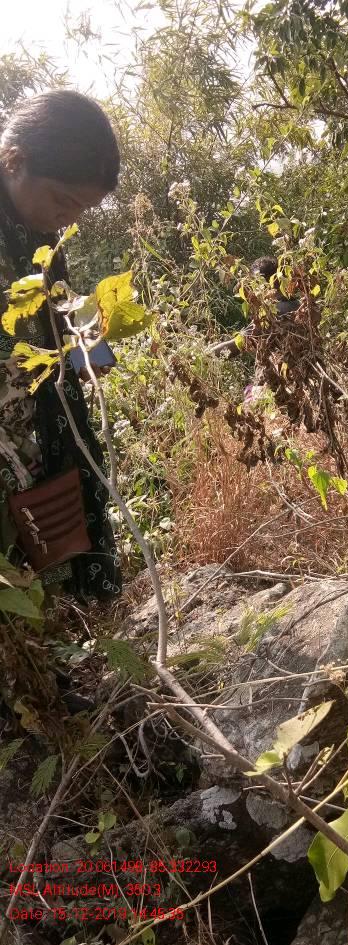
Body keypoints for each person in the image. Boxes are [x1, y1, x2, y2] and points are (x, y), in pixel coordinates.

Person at [0, 89, 122, 602]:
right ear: (14, 160)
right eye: (64, 201)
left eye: (81, 210)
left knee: (49, 583)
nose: (68, 220)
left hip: (38, 438)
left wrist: (88, 348)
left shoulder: (38, 237)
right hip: (10, 447)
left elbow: (58, 319)